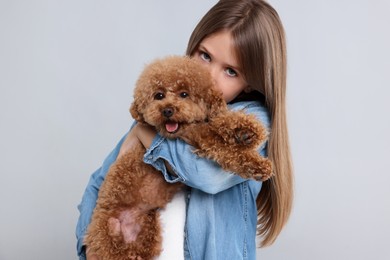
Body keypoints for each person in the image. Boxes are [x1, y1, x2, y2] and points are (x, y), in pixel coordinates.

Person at [76, 0, 294, 259]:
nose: (210, 76)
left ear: (250, 83)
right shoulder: (165, 114)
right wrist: (89, 247)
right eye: (205, 55)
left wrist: (143, 135)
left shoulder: (251, 123)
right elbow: (98, 183)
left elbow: (205, 175)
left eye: (231, 71)